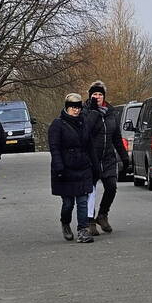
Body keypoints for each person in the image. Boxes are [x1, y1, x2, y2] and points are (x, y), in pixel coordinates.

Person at [82, 81, 130, 235]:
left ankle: (102, 215)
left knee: (111, 187)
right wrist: (94, 112)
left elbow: (116, 137)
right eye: (94, 94)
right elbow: (87, 130)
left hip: (108, 157)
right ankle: (89, 220)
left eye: (100, 94)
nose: (97, 97)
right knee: (91, 190)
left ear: (104, 96)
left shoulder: (111, 112)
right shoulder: (85, 111)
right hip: (91, 157)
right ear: (90, 96)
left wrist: (124, 156)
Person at [48, 93, 96, 243]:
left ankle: (83, 230)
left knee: (82, 201)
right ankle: (65, 223)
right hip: (65, 169)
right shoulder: (57, 125)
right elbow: (54, 148)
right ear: (67, 108)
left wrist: (95, 166)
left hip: (82, 167)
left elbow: (90, 146)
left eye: (78, 107)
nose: (76, 110)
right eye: (73, 107)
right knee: (68, 203)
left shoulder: (84, 123)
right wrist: (59, 167)